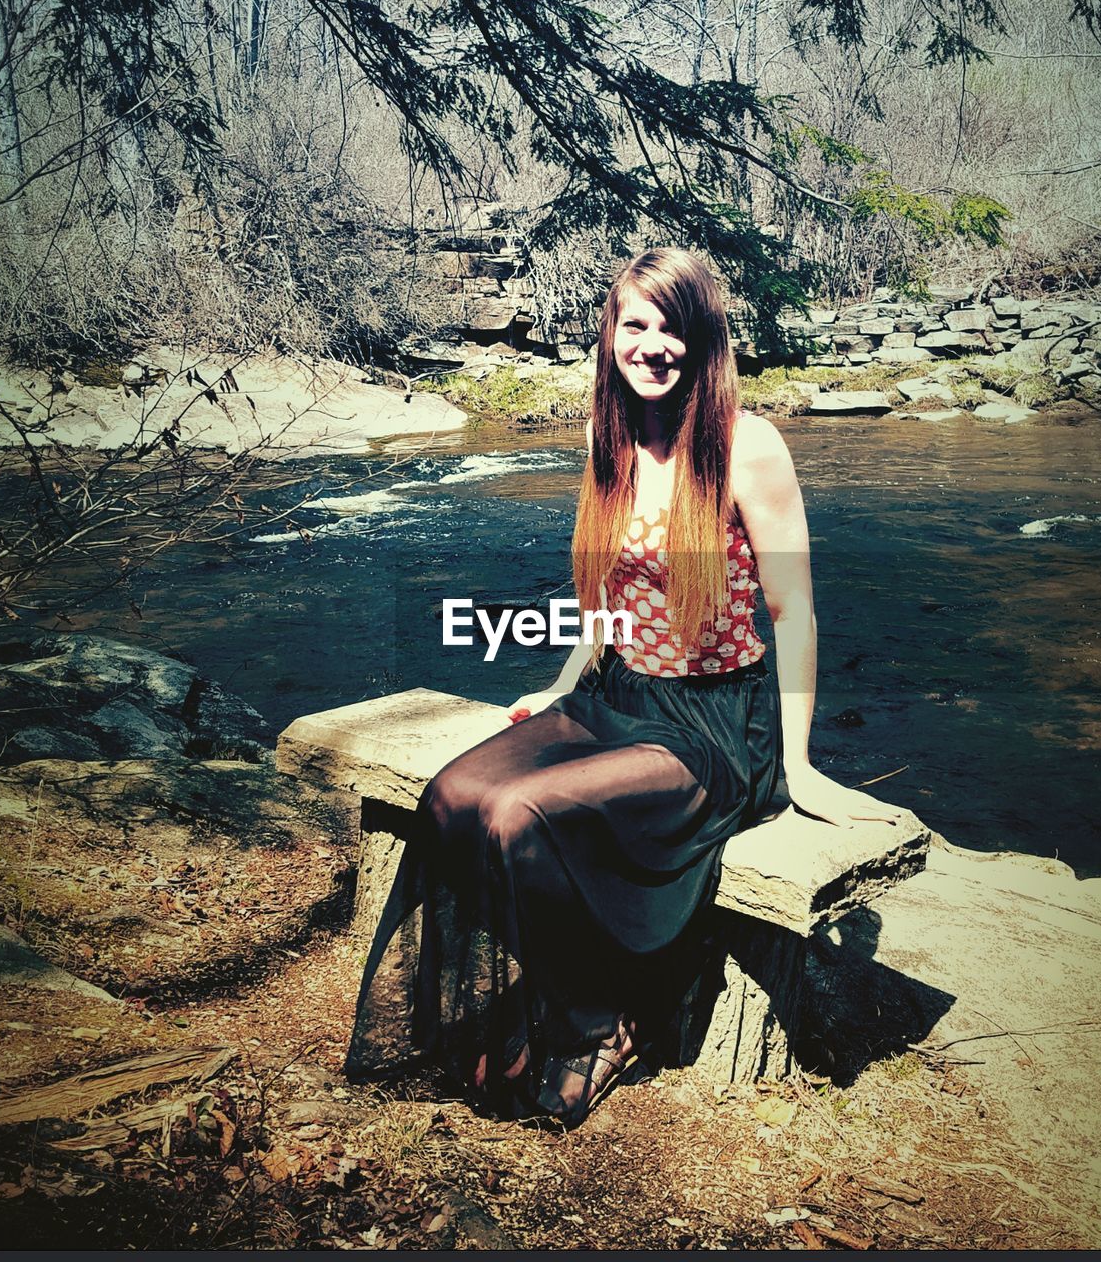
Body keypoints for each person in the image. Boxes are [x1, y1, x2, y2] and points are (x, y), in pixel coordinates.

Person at [343, 246, 901, 1128]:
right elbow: (604, 590)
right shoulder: (612, 440)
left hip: (712, 730)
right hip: (615, 694)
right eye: (633, 324)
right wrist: (563, 678)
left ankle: (602, 1023)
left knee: (520, 814)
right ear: (609, 336)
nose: (650, 345)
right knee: (454, 797)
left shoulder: (747, 446)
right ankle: (581, 1002)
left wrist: (798, 762)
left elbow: (793, 611)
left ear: (702, 336)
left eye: (670, 326)